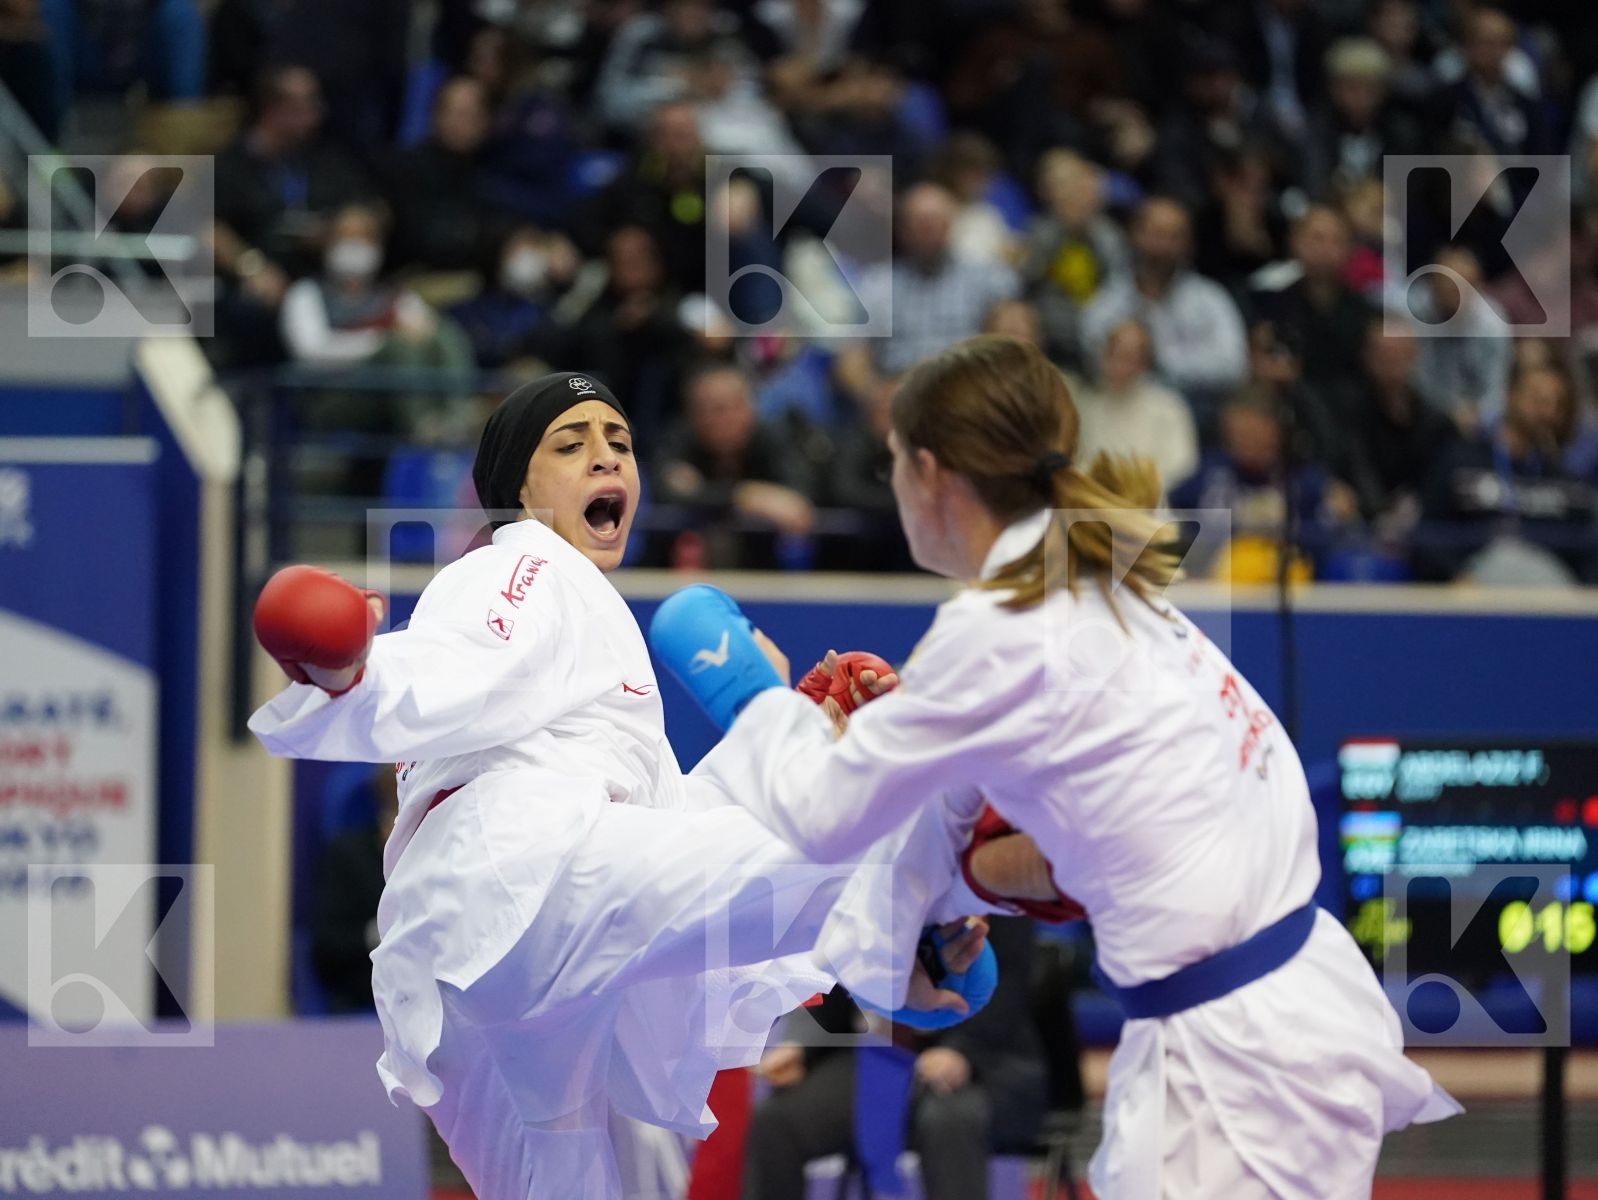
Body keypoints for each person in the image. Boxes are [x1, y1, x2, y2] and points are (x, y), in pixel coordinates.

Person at [682, 335, 1461, 1199]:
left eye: (893, 463)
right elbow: (1026, 825)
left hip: (1235, 1061)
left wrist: (757, 691)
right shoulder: (1100, 573)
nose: (893, 485)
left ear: (932, 472)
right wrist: (953, 894)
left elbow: (819, 813)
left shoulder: (1001, 631)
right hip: (1283, 1010)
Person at [247, 372, 988, 1199]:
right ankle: (969, 862)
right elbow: (454, 664)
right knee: (852, 833)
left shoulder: (581, 656)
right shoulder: (523, 566)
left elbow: (668, 839)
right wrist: (356, 671)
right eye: (571, 444)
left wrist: (793, 745)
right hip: (523, 885)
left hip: (470, 969)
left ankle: (909, 914)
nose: (606, 455)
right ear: (516, 493)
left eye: (622, 444)